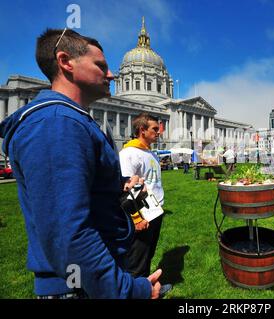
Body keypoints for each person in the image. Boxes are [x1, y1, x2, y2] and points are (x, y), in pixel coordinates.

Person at [0, 28, 162, 299]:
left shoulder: (70, 120)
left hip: (89, 280)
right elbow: (69, 235)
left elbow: (75, 198)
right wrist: (131, 291)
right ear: (65, 62)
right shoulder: (56, 124)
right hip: (78, 286)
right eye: (100, 65)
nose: (111, 75)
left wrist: (119, 186)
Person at [119, 112, 172, 296]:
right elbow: (126, 189)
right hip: (141, 212)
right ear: (142, 130)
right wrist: (136, 218)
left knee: (148, 253)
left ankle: (147, 287)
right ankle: (135, 292)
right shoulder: (128, 153)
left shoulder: (150, 152)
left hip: (155, 209)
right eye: (154, 129)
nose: (159, 133)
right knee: (137, 258)